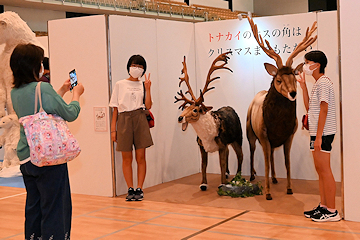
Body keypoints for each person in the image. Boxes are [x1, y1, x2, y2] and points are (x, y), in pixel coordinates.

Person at [10, 43, 84, 239]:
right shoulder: (42, 87)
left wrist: (60, 90)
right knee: (55, 208)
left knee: (34, 208)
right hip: (47, 157)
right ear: (34, 65)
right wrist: (76, 94)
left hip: (27, 157)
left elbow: (38, 113)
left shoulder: (15, 92)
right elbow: (69, 113)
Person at [298, 50, 340, 222]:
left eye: (308, 62)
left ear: (317, 65)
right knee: (320, 170)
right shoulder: (318, 83)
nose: (305, 66)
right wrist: (303, 87)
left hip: (323, 133)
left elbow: (324, 109)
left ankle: (331, 211)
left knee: (325, 170)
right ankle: (324, 206)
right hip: (317, 132)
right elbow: (310, 107)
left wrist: (320, 137)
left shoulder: (323, 83)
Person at [109, 54, 153, 201]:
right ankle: (130, 189)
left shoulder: (143, 84)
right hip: (124, 119)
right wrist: (113, 130)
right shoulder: (120, 84)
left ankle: (139, 188)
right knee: (126, 157)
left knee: (141, 157)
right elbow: (115, 109)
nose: (137, 69)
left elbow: (148, 105)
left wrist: (148, 88)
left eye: (140, 67)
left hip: (140, 117)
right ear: (129, 66)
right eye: (135, 65)